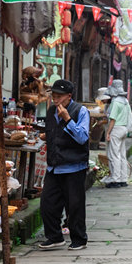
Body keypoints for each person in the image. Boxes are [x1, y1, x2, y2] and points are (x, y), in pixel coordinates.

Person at [37, 79, 90, 250]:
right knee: (47, 203)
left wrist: (67, 120)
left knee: (74, 206)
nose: (55, 100)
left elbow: (82, 137)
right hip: (54, 165)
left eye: (59, 96)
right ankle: (54, 237)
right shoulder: (51, 111)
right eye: (54, 96)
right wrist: (46, 137)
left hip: (74, 166)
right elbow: (53, 132)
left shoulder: (80, 111)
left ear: (69, 96)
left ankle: (79, 239)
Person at [104, 79, 130, 188]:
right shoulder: (125, 101)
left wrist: (108, 133)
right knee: (122, 155)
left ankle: (115, 179)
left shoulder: (115, 102)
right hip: (124, 128)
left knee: (114, 155)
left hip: (116, 128)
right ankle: (124, 179)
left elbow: (113, 119)